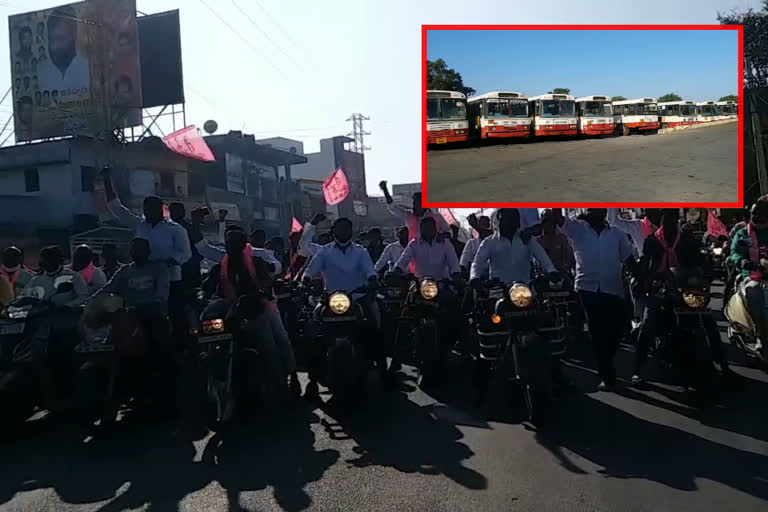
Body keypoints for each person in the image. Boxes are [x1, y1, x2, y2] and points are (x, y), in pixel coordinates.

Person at [633, 209, 732, 384]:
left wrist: (706, 275)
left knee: (708, 321)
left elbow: (699, 261)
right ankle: (637, 370)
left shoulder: (686, 239)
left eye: (673, 217)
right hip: (661, 289)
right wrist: (648, 278)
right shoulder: (652, 241)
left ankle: (723, 365)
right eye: (666, 217)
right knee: (647, 325)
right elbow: (646, 263)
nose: (670, 221)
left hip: (685, 290)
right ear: (661, 219)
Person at [196, 227, 299, 395]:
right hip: (229, 313)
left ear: (244, 244)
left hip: (258, 308)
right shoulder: (221, 265)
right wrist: (202, 296)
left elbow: (266, 280)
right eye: (229, 243)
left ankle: (288, 380)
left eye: (235, 243)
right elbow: (208, 285)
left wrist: (263, 291)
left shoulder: (256, 262)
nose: (231, 247)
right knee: (206, 339)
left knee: (275, 341)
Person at [102, 166, 191, 350]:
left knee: (174, 322)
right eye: (146, 208)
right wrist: (106, 180)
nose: (149, 211)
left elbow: (185, 254)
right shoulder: (138, 225)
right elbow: (116, 208)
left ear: (161, 210)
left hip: (169, 281)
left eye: (153, 208)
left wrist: (162, 264)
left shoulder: (175, 229)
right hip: (141, 283)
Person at [553, 208, 636, 391]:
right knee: (598, 333)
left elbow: (629, 258)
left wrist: (642, 278)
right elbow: (558, 218)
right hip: (588, 289)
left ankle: (607, 363)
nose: (594, 212)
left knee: (616, 332)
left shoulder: (616, 234)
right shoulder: (578, 229)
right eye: (591, 209)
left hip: (613, 290)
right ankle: (606, 374)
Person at [302, 217, 381, 399]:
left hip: (357, 299)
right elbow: (310, 271)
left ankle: (380, 365)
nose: (343, 231)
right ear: (333, 231)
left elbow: (369, 270)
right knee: (312, 331)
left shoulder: (360, 252)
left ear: (351, 231)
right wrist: (305, 281)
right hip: (331, 300)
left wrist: (372, 280)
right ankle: (312, 380)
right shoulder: (324, 252)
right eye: (339, 228)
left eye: (347, 228)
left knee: (375, 322)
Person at [730, 198, 768, 352]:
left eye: (760, 213)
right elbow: (735, 253)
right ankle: (761, 334)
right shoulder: (742, 232)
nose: (756, 216)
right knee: (753, 291)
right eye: (753, 213)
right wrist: (743, 262)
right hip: (752, 276)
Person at [39, 5, 90, 97]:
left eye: (60, 39)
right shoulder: (43, 75)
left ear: (74, 36)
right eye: (51, 40)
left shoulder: (88, 71)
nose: (55, 47)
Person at [394, 216, 460, 281]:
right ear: (420, 229)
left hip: (441, 282)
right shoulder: (414, 244)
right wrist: (397, 270)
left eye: (430, 228)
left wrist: (456, 274)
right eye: (425, 228)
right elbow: (404, 258)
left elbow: (453, 260)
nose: (427, 231)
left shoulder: (444, 243)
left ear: (435, 229)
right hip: (420, 282)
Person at [379, 181, 449, 241]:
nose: (414, 206)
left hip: (433, 253)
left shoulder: (436, 217)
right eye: (414, 203)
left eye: (417, 203)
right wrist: (385, 190)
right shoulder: (408, 216)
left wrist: (442, 235)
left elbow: (449, 232)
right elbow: (393, 207)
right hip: (414, 254)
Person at [22, 245, 88, 307]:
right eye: (45, 261)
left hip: (66, 315)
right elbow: (24, 296)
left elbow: (83, 296)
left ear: (59, 261)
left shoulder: (74, 276)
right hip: (41, 315)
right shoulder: (35, 280)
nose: (48, 264)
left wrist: (68, 306)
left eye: (51, 261)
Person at [537, 210, 575, 275]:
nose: (548, 224)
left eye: (551, 221)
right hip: (545, 276)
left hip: (561, 274)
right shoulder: (538, 241)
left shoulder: (562, 238)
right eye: (546, 222)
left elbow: (569, 258)